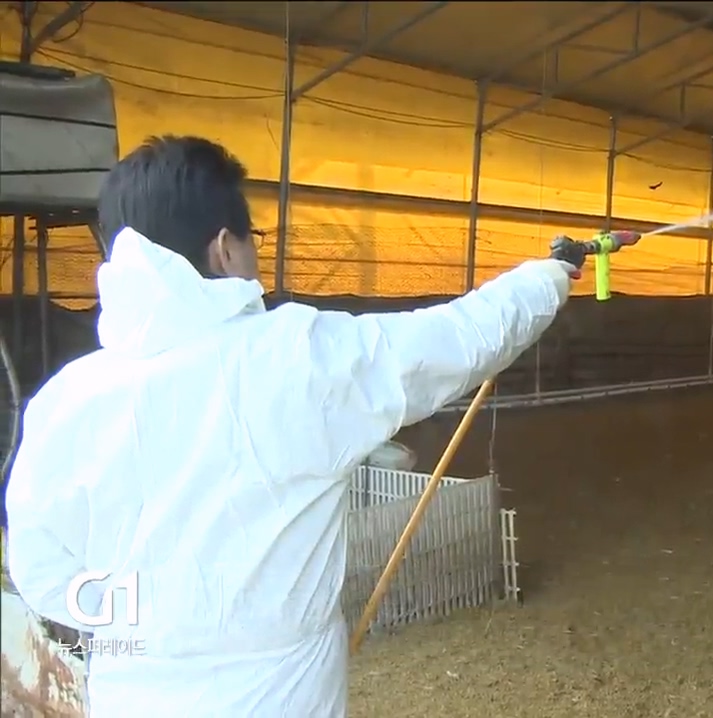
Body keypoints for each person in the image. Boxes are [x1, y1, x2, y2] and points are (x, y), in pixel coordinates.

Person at [3, 135, 577, 717]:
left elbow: (42, 571)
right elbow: (459, 339)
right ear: (224, 249)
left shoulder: (64, 401)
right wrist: (551, 275)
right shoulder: (294, 358)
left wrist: (151, 626)